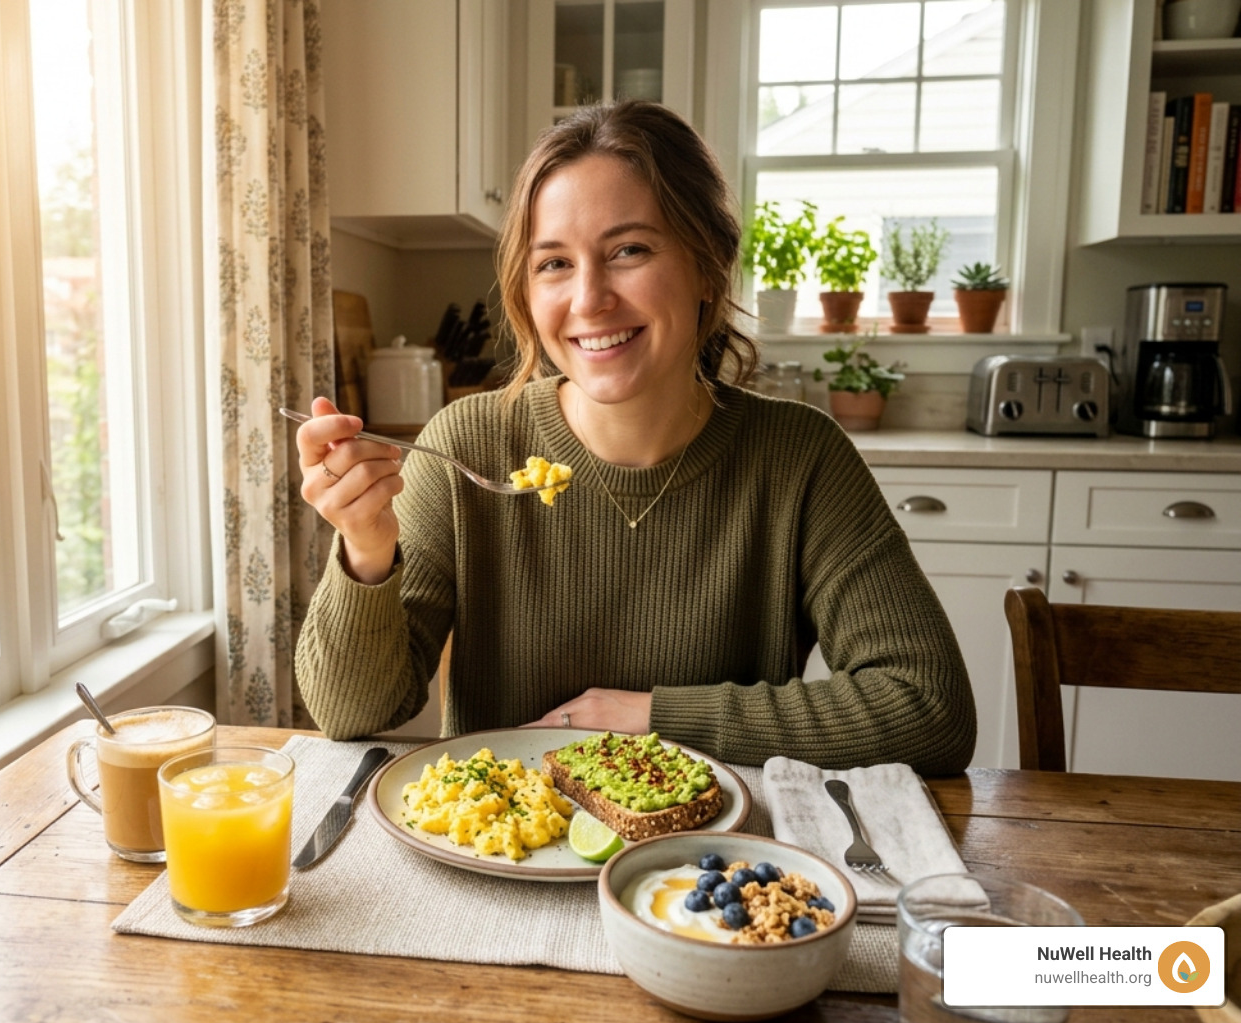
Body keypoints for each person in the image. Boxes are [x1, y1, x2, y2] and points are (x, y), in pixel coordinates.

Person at [290, 100, 975, 774]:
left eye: (629, 250)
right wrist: (368, 550)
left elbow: (929, 707)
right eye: (553, 263)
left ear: (708, 267)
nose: (589, 300)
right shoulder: (467, 446)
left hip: (708, 869)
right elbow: (350, 713)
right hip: (499, 868)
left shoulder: (799, 458)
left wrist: (646, 718)